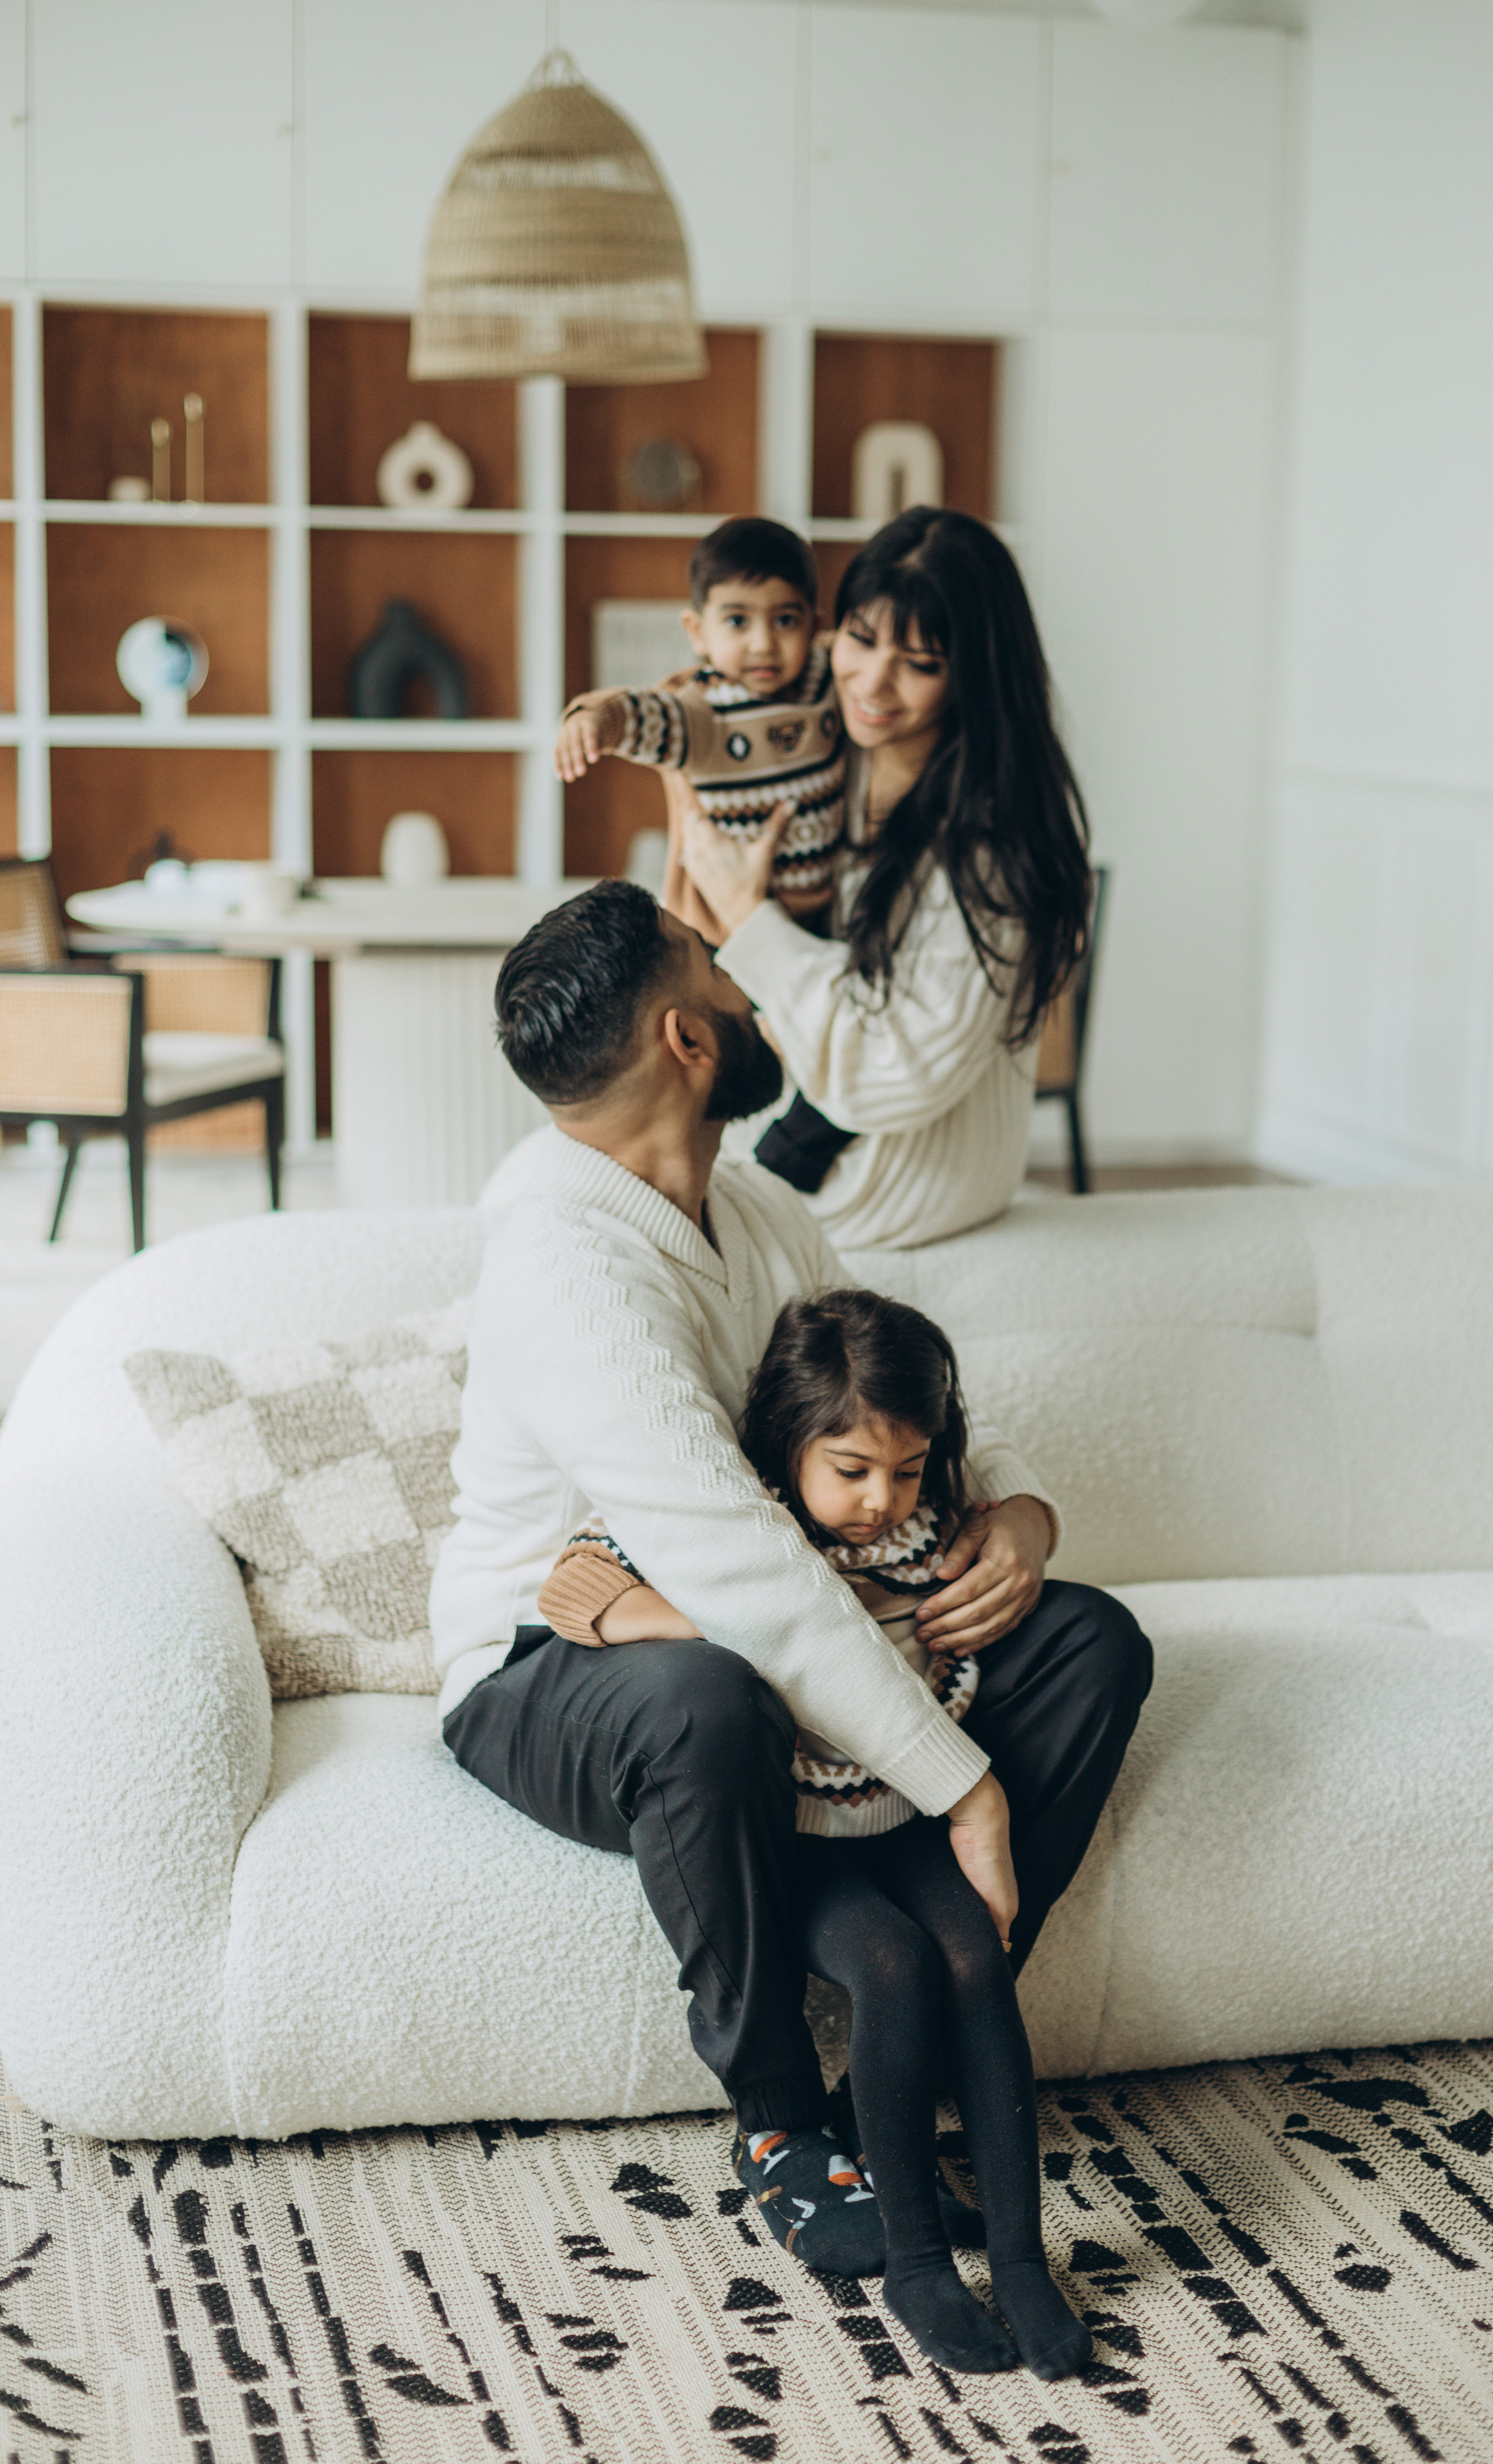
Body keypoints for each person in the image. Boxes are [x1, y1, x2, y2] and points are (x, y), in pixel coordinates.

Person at [433, 877, 1152, 2285]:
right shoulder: (562, 1271)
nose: (749, 989)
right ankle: (777, 2126)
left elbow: (883, 1396)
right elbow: (740, 1571)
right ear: (685, 1039)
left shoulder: (753, 1208)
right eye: (716, 967)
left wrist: (1009, 1510)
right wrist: (966, 1783)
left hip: (765, 1627)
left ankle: (915, 2056)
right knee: (704, 1699)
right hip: (553, 1662)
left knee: (1089, 1644)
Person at [537, 1287, 1091, 2379]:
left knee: (975, 1956)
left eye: (908, 1469)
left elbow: (1010, 1503)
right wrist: (719, 1629)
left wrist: (1018, 1522)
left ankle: (1023, 2263)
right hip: (793, 1828)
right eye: (851, 1471)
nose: (882, 1500)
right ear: (791, 1444)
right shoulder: (730, 1521)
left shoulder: (932, 1520)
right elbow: (573, 1588)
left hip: (894, 1809)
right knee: (890, 1965)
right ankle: (920, 2266)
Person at [674, 504, 1093, 1251]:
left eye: (920, 664)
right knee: (557, 1166)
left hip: (900, 1171)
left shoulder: (986, 842)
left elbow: (895, 1067)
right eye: (860, 641)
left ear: (972, 676)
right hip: (806, 1118)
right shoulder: (832, 750)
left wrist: (747, 915)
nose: (872, 682)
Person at [554, 515, 845, 922]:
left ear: (814, 626)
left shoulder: (824, 677)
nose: (763, 644)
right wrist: (597, 720)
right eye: (737, 621)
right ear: (697, 632)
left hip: (827, 908)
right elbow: (646, 715)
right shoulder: (705, 710)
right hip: (726, 925)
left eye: (785, 620)